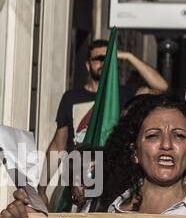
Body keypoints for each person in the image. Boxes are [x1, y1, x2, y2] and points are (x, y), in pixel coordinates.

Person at [4, 94, 186, 218]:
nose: (167, 145)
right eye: (153, 136)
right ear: (134, 153)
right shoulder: (101, 210)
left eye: (179, 136)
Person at [46, 39, 169, 194]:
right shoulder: (71, 97)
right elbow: (58, 145)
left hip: (111, 181)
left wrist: (129, 56)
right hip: (75, 181)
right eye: (98, 59)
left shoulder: (125, 94)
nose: (103, 63)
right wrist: (41, 189)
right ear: (87, 64)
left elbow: (161, 88)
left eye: (108, 59)